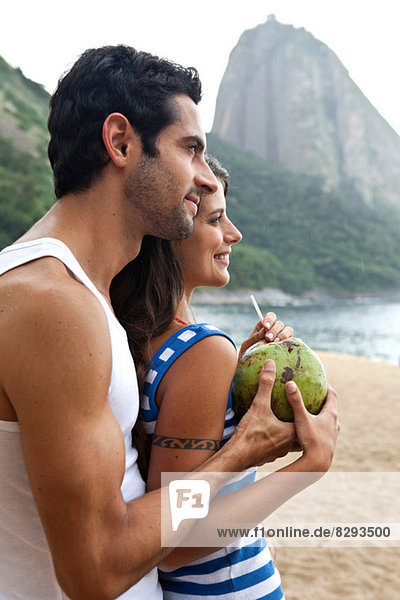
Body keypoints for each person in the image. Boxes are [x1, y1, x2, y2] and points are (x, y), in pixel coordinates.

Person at [0, 45, 338, 600]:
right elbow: (97, 569)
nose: (203, 177)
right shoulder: (54, 305)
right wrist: (242, 451)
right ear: (122, 143)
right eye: (191, 150)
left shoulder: (78, 292)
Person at [110, 155, 338, 598]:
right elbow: (175, 543)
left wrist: (235, 375)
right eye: (216, 220)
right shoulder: (200, 351)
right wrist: (309, 466)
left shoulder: (137, 336)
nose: (234, 234)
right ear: (169, 232)